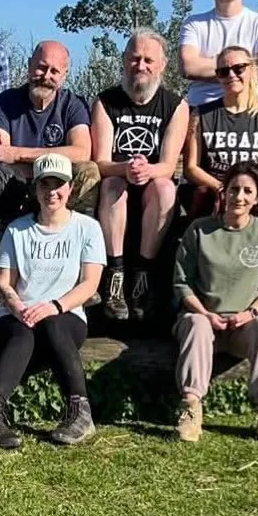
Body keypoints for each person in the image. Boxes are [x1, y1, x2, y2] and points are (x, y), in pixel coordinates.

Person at [0, 154, 106, 450]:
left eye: (58, 184)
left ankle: (80, 413)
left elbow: (89, 284)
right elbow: (3, 283)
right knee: (21, 332)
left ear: (70, 189)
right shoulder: (17, 229)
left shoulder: (87, 229)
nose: (52, 192)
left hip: (65, 314)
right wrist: (18, 306)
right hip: (16, 313)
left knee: (55, 324)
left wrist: (54, 305)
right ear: (35, 189)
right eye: (44, 184)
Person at [172, 162, 258, 443]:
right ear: (223, 193)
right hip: (203, 320)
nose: (240, 196)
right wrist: (206, 313)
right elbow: (182, 283)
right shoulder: (200, 231)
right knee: (197, 324)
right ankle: (190, 408)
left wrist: (250, 314)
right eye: (234, 189)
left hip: (242, 324)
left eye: (248, 191)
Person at [92, 30, 189, 322]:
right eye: (135, 58)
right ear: (124, 61)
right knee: (112, 185)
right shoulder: (105, 101)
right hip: (117, 183)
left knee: (165, 188)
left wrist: (147, 170)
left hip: (152, 185)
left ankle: (142, 277)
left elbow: (169, 165)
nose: (141, 65)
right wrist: (126, 169)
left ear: (162, 65)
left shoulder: (175, 105)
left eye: (148, 59)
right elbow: (101, 162)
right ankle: (116, 274)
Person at [0, 40, 99, 240]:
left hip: (57, 186)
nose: (46, 76)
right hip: (17, 187)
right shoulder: (4, 103)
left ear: (64, 76)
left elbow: (81, 152)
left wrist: (18, 154)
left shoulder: (74, 105)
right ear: (29, 64)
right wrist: (53, 160)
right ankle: (3, 242)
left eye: (54, 71)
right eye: (41, 67)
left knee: (88, 171)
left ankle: (79, 238)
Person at [182, 45, 258, 230]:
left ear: (251, 69)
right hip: (213, 186)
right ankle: (191, 252)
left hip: (252, 187)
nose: (231, 75)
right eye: (223, 71)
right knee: (202, 195)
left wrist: (245, 190)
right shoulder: (200, 115)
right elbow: (190, 168)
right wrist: (223, 187)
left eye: (239, 68)